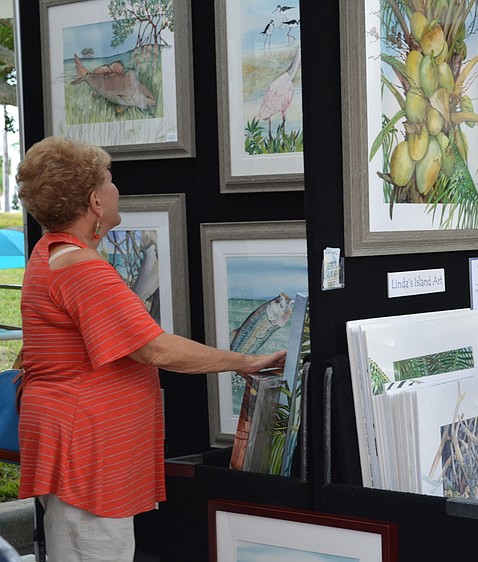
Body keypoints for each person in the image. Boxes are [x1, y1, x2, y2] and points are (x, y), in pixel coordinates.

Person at [15, 136, 287, 562]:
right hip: (87, 457)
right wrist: (247, 361)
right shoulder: (82, 269)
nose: (116, 188)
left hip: (79, 447)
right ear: (95, 201)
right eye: (110, 180)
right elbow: (155, 349)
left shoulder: (52, 253)